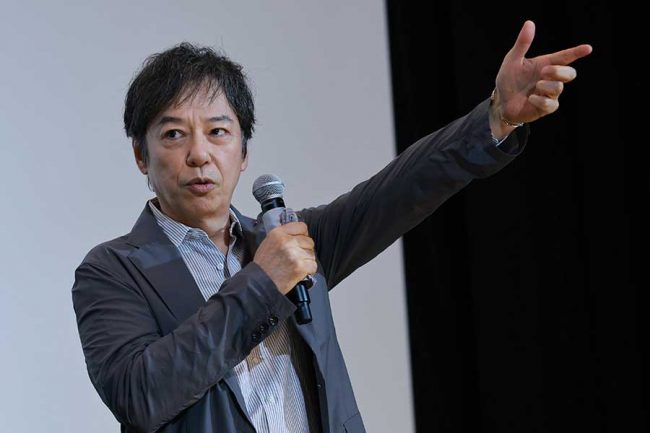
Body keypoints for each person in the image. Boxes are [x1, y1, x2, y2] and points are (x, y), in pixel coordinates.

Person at [72, 20, 591, 433]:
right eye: (173, 134)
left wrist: (496, 118)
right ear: (141, 156)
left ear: (244, 153)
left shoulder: (294, 241)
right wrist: (263, 281)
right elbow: (141, 395)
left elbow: (398, 190)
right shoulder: (112, 271)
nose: (199, 154)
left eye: (218, 131)